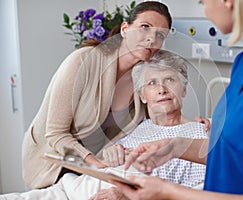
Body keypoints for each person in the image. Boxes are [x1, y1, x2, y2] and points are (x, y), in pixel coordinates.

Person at [112, 0, 243, 199]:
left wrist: (168, 192)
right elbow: (235, 155)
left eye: (203, 2)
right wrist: (173, 146)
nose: (206, 12)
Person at [2, 50, 208, 200]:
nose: (162, 89)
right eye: (152, 83)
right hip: (75, 189)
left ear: (184, 90)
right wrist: (110, 154)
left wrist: (129, 194)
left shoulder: (201, 134)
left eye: (170, 80)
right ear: (142, 96)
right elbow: (101, 164)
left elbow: (197, 190)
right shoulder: (133, 127)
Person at [21, 1, 175, 189]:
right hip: (53, 160)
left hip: (97, 164)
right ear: (125, 29)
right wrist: (95, 164)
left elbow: (160, 119)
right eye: (145, 27)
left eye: (160, 35)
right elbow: (56, 134)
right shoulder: (83, 61)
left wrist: (197, 124)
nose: (152, 39)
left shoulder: (144, 78)